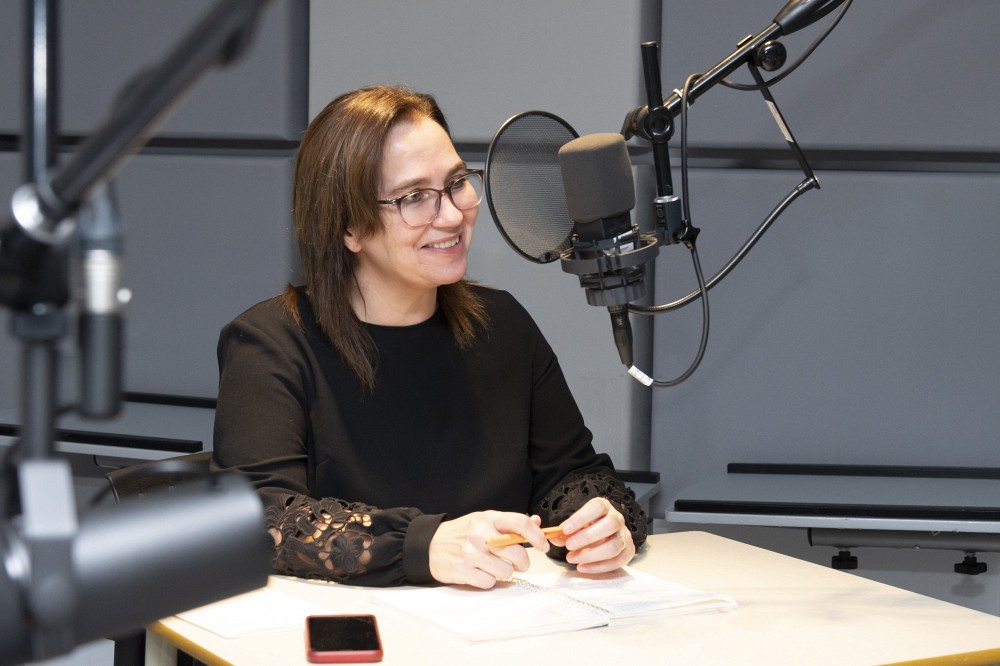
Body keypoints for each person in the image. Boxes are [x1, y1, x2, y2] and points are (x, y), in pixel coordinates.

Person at [211, 84, 647, 589]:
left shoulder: (503, 324)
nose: (453, 214)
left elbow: (572, 473)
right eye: (414, 197)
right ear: (348, 225)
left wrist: (599, 522)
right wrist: (424, 545)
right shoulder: (268, 344)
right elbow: (263, 520)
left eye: (457, 181)